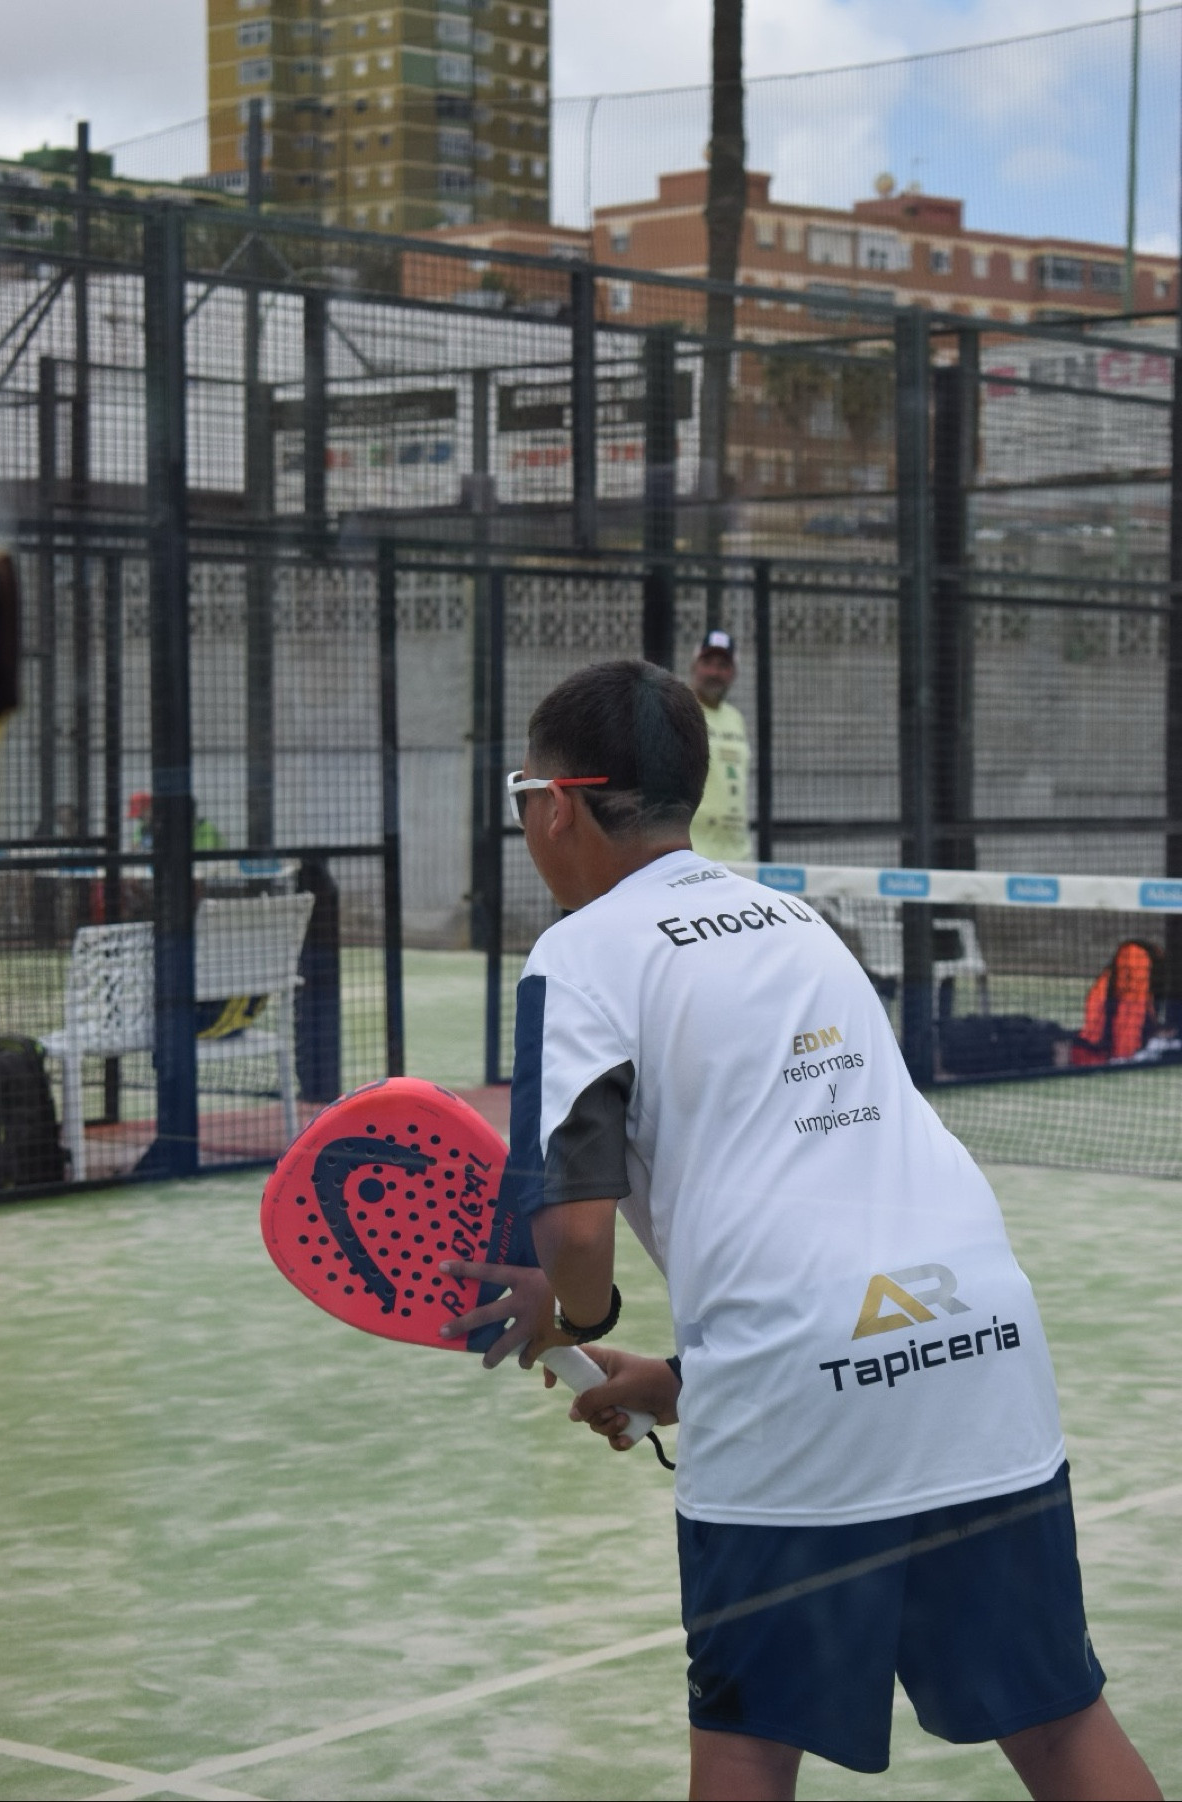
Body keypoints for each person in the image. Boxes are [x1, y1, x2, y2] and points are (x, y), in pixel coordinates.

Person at [442, 659, 1159, 1802]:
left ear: (562, 804)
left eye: (525, 793)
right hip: (980, 1346)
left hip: (798, 1392)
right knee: (1061, 1724)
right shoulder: (796, 919)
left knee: (746, 1743)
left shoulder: (575, 954)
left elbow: (572, 1231)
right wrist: (685, 1378)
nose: (526, 819)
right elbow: (827, 1185)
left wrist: (576, 1316)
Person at [688, 627, 751, 864]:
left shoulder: (736, 718)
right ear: (694, 666)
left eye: (723, 665)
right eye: (707, 663)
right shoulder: (681, 709)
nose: (714, 672)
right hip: (694, 854)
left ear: (733, 673)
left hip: (738, 856)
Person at [128, 792, 226, 853]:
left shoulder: (206, 828)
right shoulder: (146, 828)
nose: (142, 819)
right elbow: (134, 848)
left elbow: (212, 855)